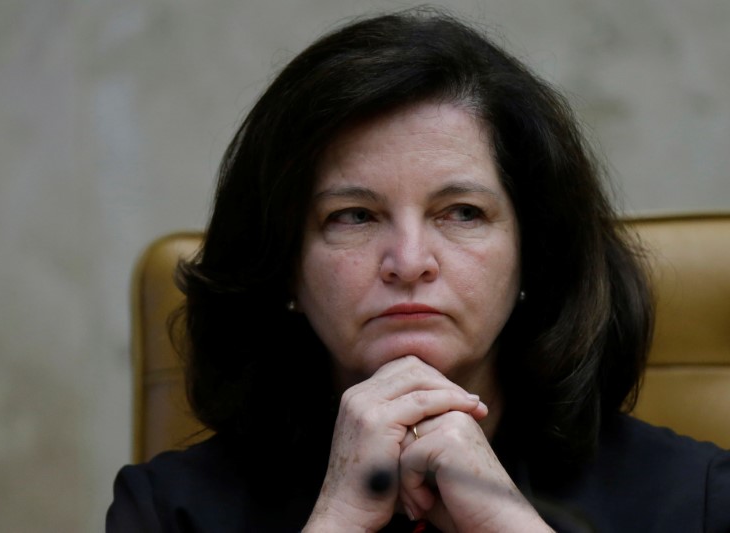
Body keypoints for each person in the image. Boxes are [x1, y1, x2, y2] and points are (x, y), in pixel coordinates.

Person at [107, 7, 730, 532]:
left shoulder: (695, 498)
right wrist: (338, 519)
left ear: (533, 251)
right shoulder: (167, 510)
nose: (408, 263)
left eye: (461, 212)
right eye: (353, 216)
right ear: (284, 266)